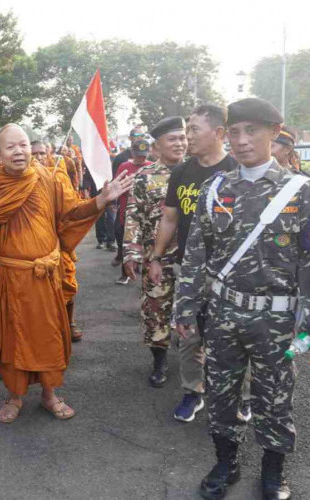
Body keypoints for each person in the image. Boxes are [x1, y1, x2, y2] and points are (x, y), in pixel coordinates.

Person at [0, 124, 134, 423]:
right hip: (10, 277)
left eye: (23, 144)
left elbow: (71, 214)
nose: (19, 151)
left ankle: (50, 395)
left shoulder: (49, 177)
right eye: (10, 147)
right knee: (12, 339)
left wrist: (102, 200)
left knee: (49, 336)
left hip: (45, 275)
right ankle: (14, 395)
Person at [175, 98, 309, 500]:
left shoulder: (299, 192)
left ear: (275, 133)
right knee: (221, 392)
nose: (242, 141)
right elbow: (197, 252)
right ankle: (225, 462)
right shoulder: (216, 188)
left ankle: (273, 472)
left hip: (276, 319)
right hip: (224, 313)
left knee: (275, 396)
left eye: (252, 131)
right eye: (235, 132)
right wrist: (184, 305)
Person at [148, 105, 237, 423]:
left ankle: (239, 397)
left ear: (218, 133)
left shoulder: (236, 170)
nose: (187, 137)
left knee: (235, 337)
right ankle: (193, 392)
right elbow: (170, 217)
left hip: (232, 274)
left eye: (194, 130)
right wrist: (156, 257)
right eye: (186, 131)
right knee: (189, 334)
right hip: (191, 269)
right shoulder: (182, 172)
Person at [123, 116, 187, 388]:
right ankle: (160, 361)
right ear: (158, 145)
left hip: (193, 258)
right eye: (172, 139)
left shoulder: (199, 173)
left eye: (183, 138)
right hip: (156, 258)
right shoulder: (145, 177)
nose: (180, 143)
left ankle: (196, 362)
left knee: (195, 311)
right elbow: (133, 215)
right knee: (156, 310)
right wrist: (131, 252)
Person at [31, 140, 84, 342]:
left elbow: (72, 207)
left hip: (58, 239)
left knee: (68, 282)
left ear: (49, 154)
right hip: (34, 242)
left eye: (42, 153)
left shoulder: (58, 176)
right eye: (34, 154)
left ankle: (70, 323)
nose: (38, 157)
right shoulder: (21, 179)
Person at [113, 139, 152, 284]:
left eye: (144, 155)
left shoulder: (153, 167)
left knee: (146, 243)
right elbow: (115, 186)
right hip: (126, 213)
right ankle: (125, 273)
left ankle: (143, 271)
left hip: (146, 214)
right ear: (132, 153)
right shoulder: (124, 167)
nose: (141, 158)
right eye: (138, 155)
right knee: (125, 242)